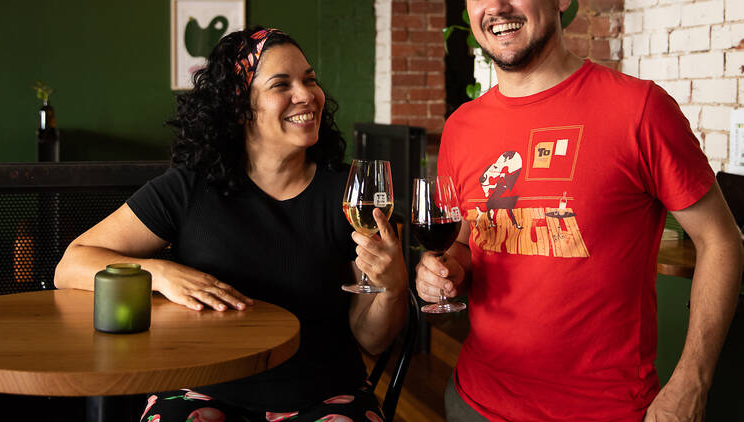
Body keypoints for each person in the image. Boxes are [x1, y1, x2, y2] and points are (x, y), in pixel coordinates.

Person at [54, 27, 407, 422]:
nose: (307, 94)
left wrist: (393, 286)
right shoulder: (189, 188)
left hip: (324, 394)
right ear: (240, 105)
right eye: (282, 84)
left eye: (309, 79)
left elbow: (371, 339)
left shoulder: (348, 196)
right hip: (201, 389)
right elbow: (71, 264)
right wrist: (160, 273)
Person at [415, 0, 744, 421]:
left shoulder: (640, 109)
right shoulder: (461, 126)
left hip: (604, 411)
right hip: (474, 403)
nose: (496, 6)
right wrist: (446, 271)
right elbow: (466, 242)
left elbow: (721, 241)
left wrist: (692, 381)